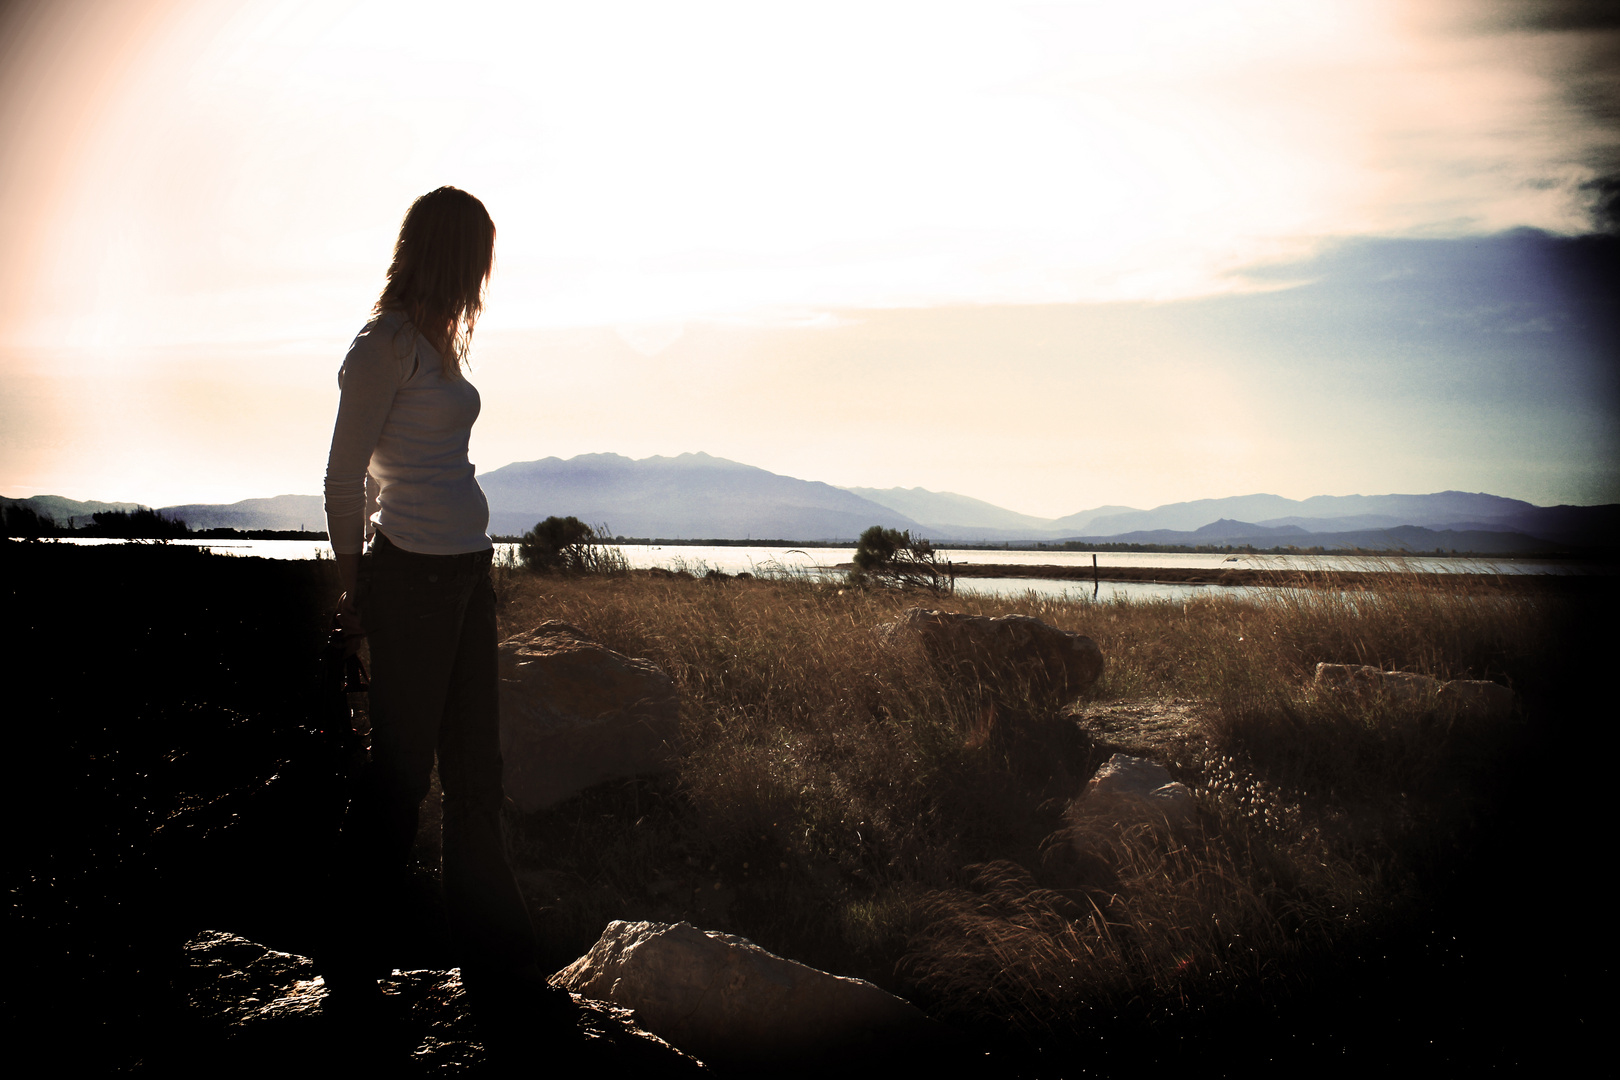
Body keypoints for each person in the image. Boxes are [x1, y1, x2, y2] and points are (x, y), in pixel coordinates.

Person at [322, 186, 571, 1032]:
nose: (483, 282)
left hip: (466, 577)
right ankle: (350, 963)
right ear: (449, 255)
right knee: (399, 778)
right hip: (412, 581)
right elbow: (343, 478)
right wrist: (354, 595)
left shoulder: (438, 344)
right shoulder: (382, 347)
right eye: (477, 262)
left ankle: (501, 975)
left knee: (476, 783)